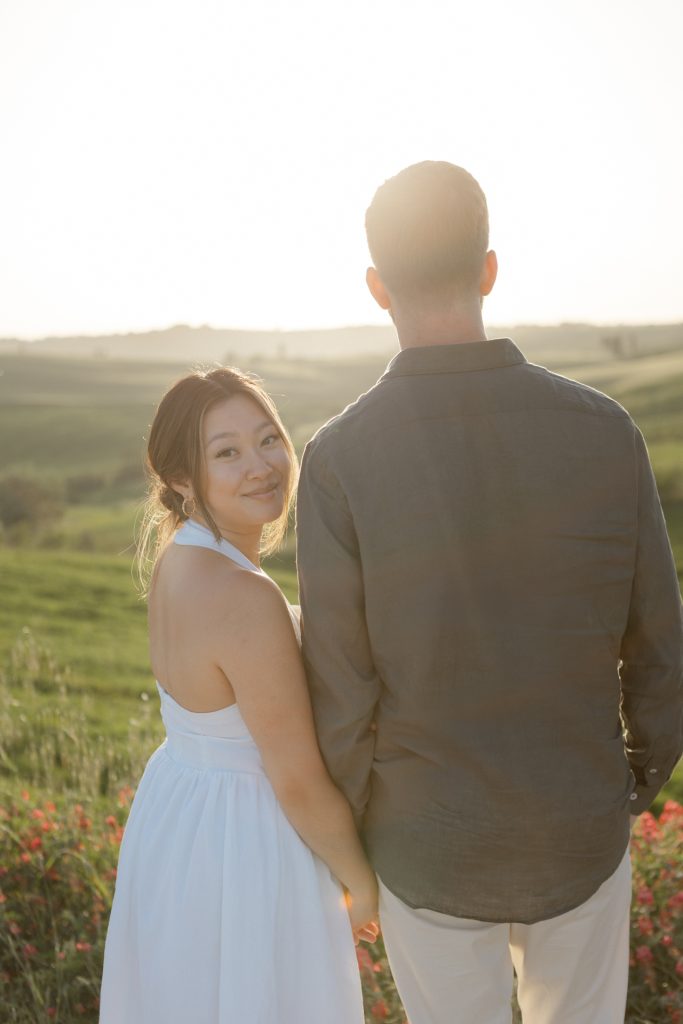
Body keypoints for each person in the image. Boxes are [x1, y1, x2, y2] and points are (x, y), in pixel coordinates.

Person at [296, 160, 683, 1024]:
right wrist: (633, 783)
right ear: (489, 270)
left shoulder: (339, 458)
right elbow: (660, 644)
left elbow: (340, 685)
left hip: (425, 840)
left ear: (375, 287)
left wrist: (366, 823)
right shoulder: (604, 431)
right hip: (578, 823)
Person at [99, 367, 376, 1024]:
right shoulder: (244, 595)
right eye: (226, 452)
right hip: (245, 836)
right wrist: (361, 883)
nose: (261, 466)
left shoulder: (179, 558)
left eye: (268, 439)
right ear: (180, 478)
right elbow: (296, 779)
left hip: (180, 814)